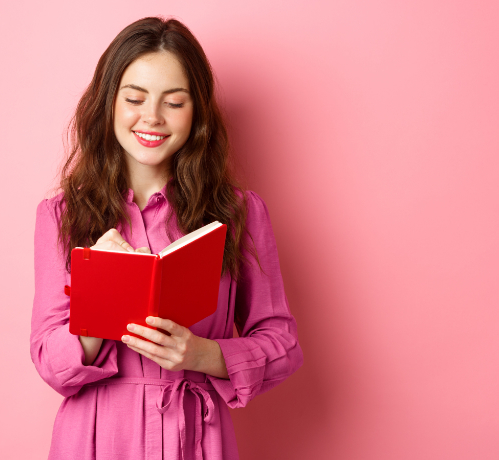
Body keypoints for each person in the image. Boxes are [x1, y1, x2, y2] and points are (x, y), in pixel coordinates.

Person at [30, 16, 303, 460]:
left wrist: (201, 355)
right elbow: (50, 362)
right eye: (135, 98)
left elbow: (282, 345)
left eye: (174, 102)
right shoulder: (62, 215)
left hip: (194, 435)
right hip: (98, 437)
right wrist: (101, 298)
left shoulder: (240, 212)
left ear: (196, 111)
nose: (152, 117)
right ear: (109, 104)